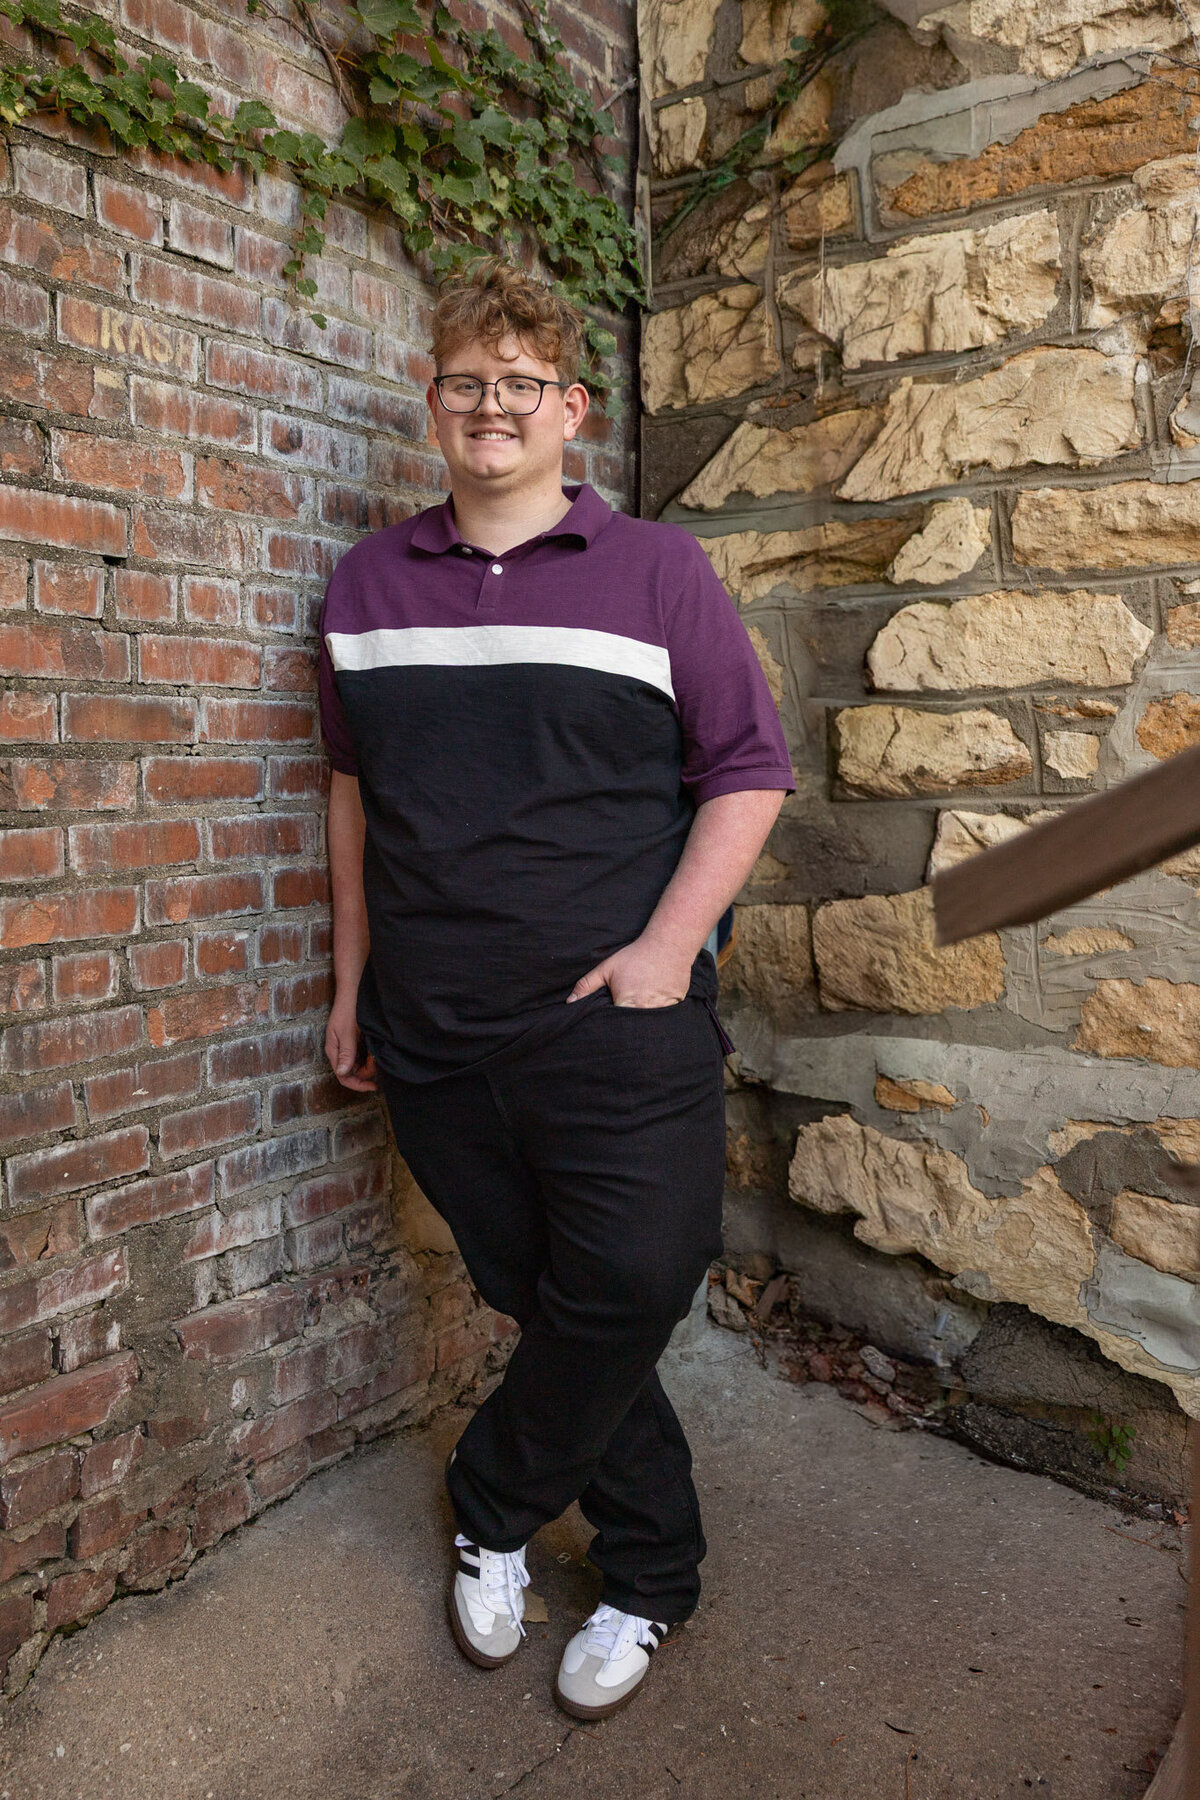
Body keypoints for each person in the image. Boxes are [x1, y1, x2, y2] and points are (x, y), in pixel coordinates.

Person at [318, 258, 793, 1719]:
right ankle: (651, 1570)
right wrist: (353, 987)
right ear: (435, 403)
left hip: (616, 1015)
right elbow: (352, 795)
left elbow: (749, 771)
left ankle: (491, 1493)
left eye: (521, 383)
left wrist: (666, 954)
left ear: (569, 408)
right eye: (467, 382)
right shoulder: (366, 583)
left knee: (639, 1277)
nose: (491, 407)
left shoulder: (657, 572)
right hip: (436, 1024)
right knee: (541, 1294)